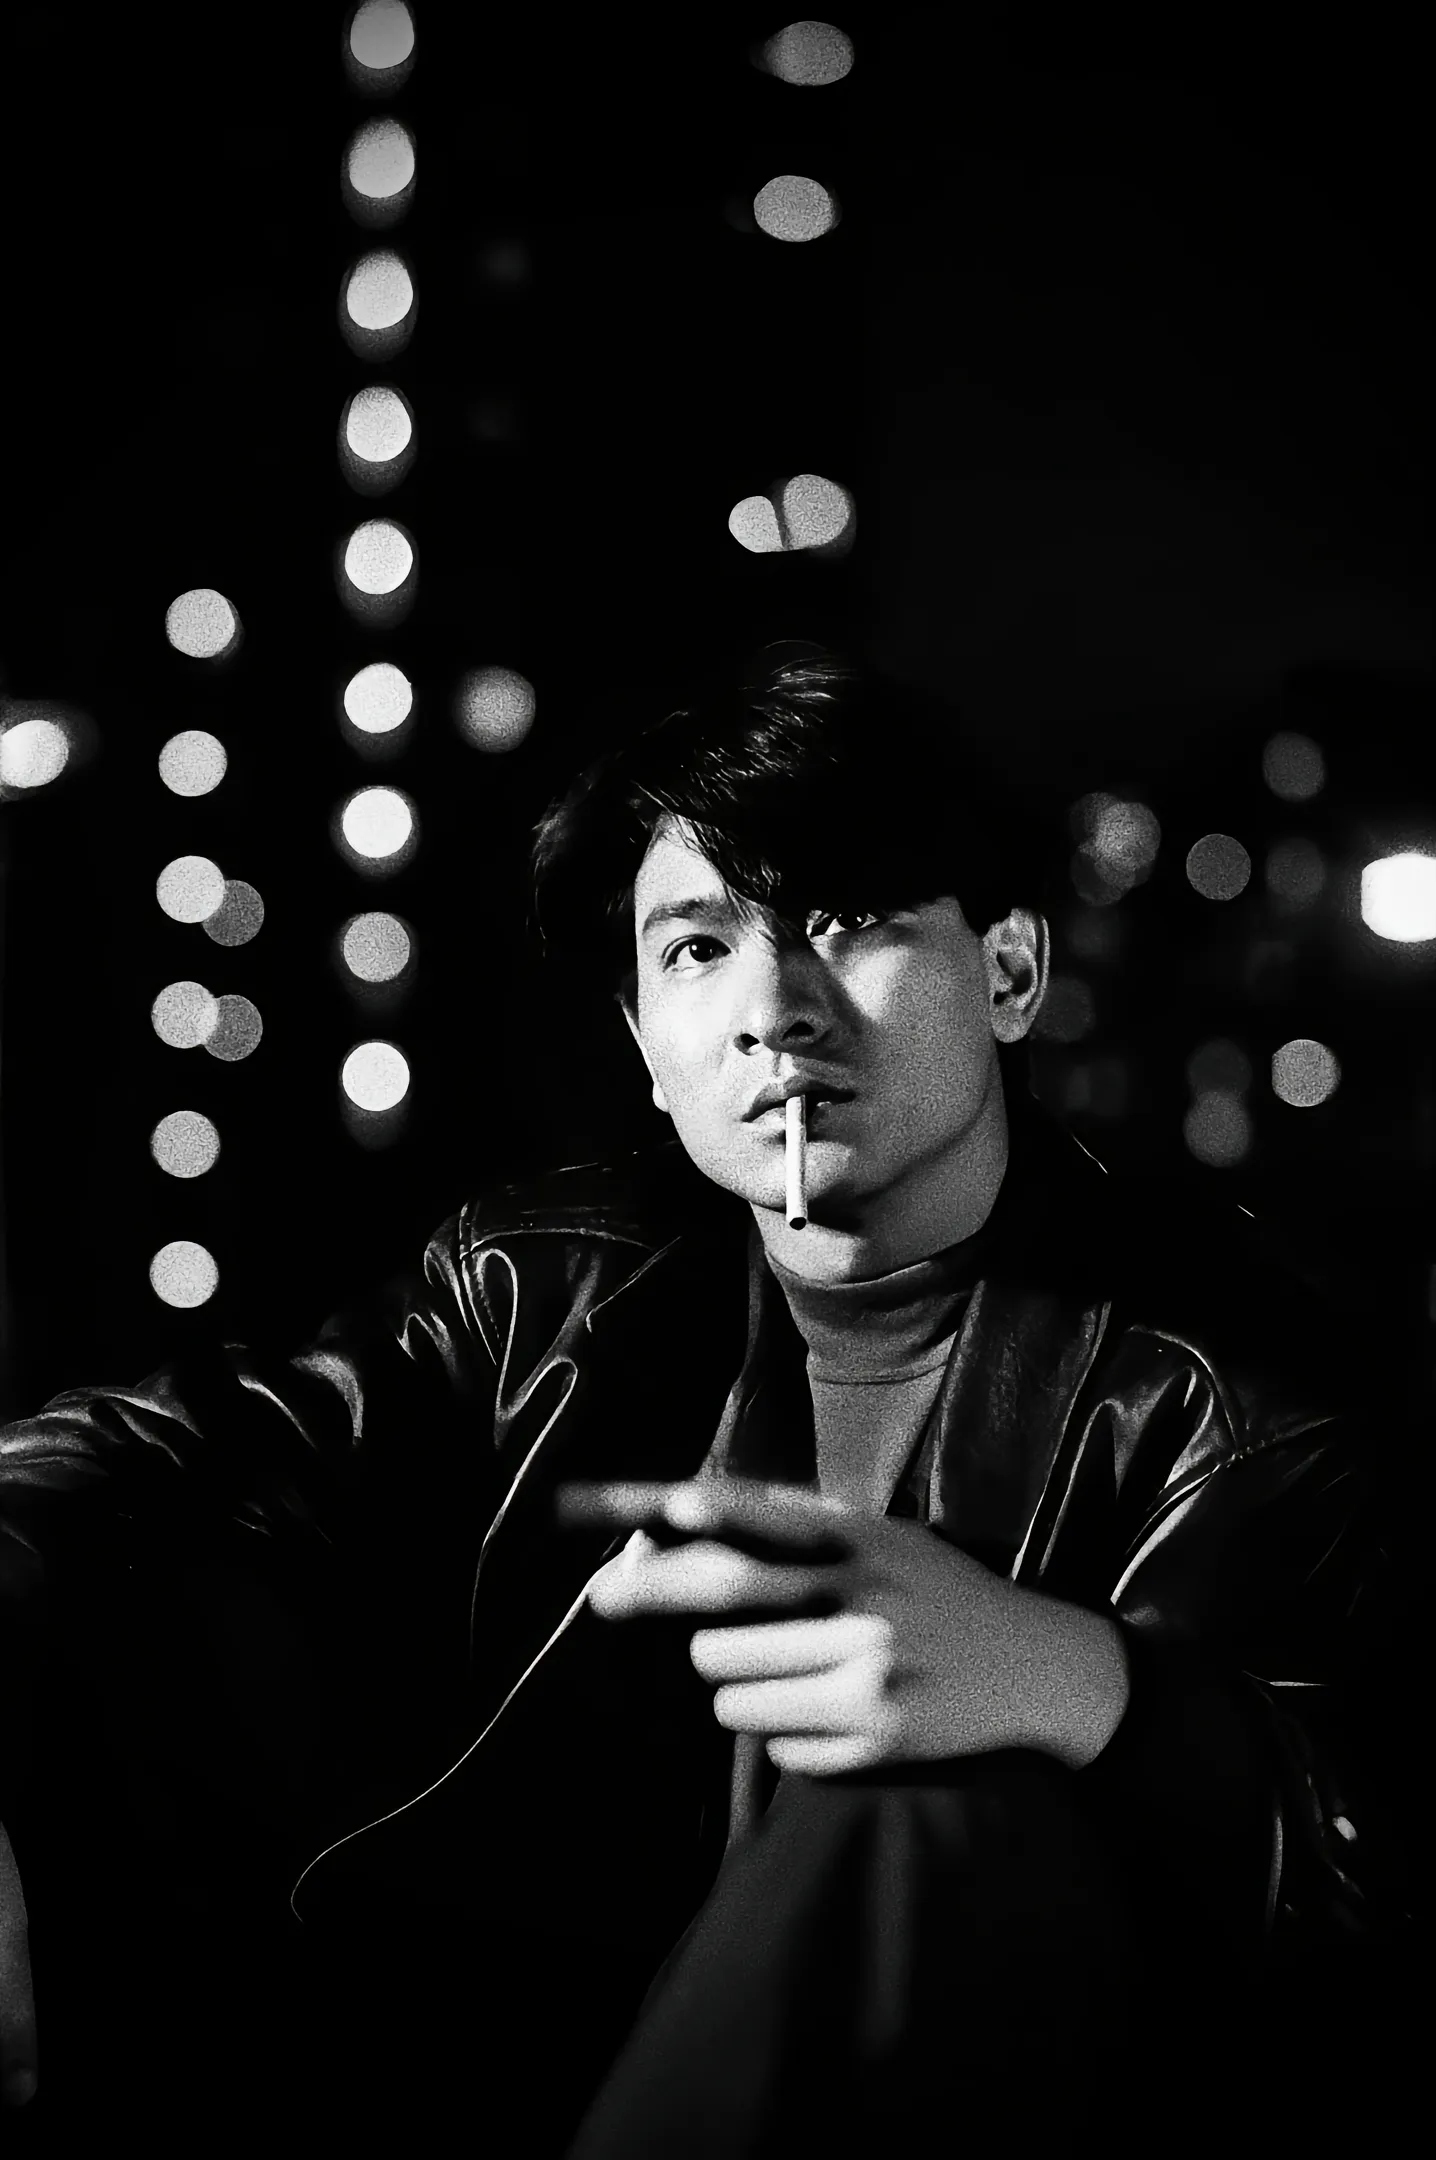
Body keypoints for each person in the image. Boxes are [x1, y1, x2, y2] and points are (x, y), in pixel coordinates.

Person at [0, 644, 1410, 2152]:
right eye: (695, 948)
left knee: (924, 1798)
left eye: (848, 920)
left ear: (1010, 974)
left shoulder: (1229, 1394)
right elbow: (165, 1454)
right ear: (644, 1048)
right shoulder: (545, 1293)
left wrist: (1082, 1686)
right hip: (526, 2070)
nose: (775, 1008)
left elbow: (1365, 1863)